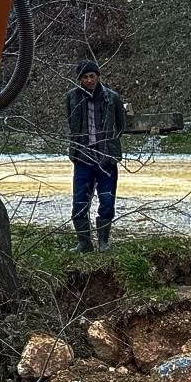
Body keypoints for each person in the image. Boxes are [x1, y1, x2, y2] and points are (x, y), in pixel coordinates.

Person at [67, 58, 126, 252]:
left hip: (106, 158)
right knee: (79, 202)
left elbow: (121, 124)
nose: (89, 80)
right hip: (83, 157)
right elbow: (71, 124)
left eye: (92, 76)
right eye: (85, 77)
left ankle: (103, 242)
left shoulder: (112, 98)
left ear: (98, 76)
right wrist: (76, 150)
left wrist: (112, 146)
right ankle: (84, 243)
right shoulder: (72, 98)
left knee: (107, 200)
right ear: (80, 80)